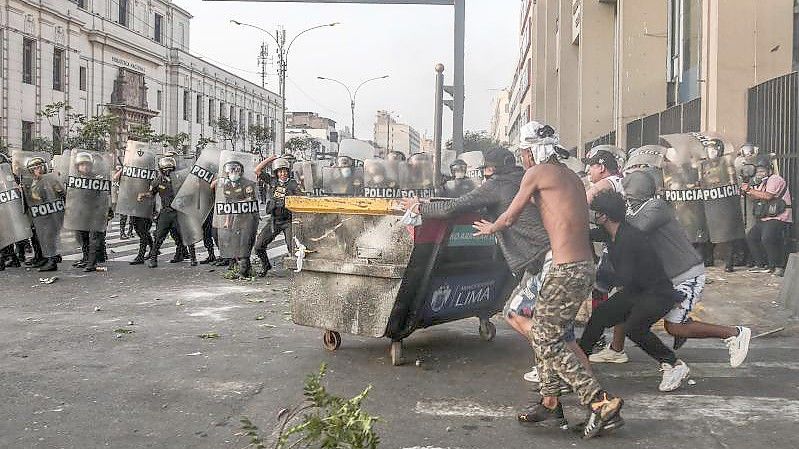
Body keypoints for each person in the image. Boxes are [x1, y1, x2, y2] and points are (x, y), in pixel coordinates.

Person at [473, 121, 623, 439]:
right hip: (581, 266)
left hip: (566, 269)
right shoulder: (569, 176)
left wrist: (491, 227)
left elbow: (511, 215)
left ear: (533, 151)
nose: (523, 159)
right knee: (546, 330)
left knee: (545, 338)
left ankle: (601, 402)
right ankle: (550, 402)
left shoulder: (538, 173)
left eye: (524, 152)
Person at [403, 147, 591, 387]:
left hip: (543, 260)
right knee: (560, 332)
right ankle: (560, 387)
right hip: (557, 257)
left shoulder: (497, 184)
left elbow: (455, 207)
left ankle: (568, 372)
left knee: (518, 313)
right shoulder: (522, 179)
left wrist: (420, 207)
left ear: (490, 168)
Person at [621, 171, 752, 364]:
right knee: (641, 316)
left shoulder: (655, 206)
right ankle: (680, 331)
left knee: (673, 327)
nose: (627, 200)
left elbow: (637, 230)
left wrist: (614, 217)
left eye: (628, 195)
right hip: (668, 277)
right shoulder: (638, 210)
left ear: (637, 192)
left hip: (686, 275)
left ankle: (735, 333)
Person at [582, 191, 692, 393]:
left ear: (604, 216)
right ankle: (580, 359)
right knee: (600, 315)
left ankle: (674, 365)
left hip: (657, 294)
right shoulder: (613, 232)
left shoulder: (629, 238)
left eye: (596, 213)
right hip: (638, 290)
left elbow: (625, 277)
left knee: (634, 329)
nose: (594, 216)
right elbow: (587, 233)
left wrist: (593, 278)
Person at [582, 149, 629, 364]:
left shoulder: (605, 183)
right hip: (623, 241)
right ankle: (617, 348)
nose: (588, 171)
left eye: (590, 167)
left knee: (599, 289)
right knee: (622, 295)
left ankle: (596, 339)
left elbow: (580, 203)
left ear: (601, 167)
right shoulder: (622, 181)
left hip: (615, 245)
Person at [138, 157, 195, 267]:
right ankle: (153, 259)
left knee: (186, 235)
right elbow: (151, 194)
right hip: (166, 212)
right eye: (165, 169)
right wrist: (143, 195)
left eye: (170, 168)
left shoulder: (181, 179)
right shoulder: (157, 181)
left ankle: (193, 258)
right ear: (161, 169)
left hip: (179, 211)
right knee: (159, 236)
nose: (168, 171)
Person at [743, 155, 792, 277]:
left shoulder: (776, 179)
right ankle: (761, 264)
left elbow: (768, 196)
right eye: (758, 171)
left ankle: (778, 266)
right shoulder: (763, 182)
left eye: (762, 170)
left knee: (767, 238)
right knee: (751, 237)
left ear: (769, 170)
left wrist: (750, 189)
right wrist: (747, 192)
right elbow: (757, 196)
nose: (760, 173)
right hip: (767, 217)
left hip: (780, 216)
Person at [253, 157, 300, 277]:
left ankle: (298, 273)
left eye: (285, 171)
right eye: (280, 171)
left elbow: (301, 199)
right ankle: (265, 265)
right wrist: (272, 158)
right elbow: (257, 170)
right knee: (259, 246)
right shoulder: (272, 181)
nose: (283, 174)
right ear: (276, 173)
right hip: (274, 220)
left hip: (288, 220)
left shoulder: (293, 184)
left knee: (293, 248)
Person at [22, 157, 66, 272]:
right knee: (40, 237)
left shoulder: (51, 179)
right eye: (35, 168)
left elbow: (61, 193)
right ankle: (44, 258)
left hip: (50, 213)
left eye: (39, 167)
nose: (38, 170)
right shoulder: (31, 182)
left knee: (49, 237)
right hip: (39, 214)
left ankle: (52, 261)